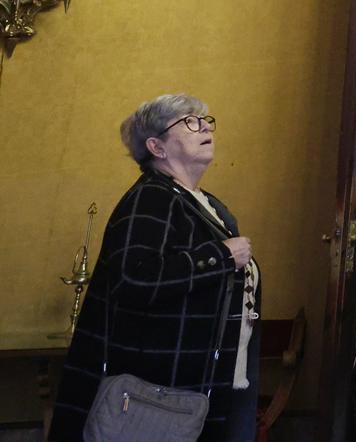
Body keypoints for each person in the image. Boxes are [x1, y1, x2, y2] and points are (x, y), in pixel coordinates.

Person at [51, 94, 261, 442]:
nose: (205, 127)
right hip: (160, 394)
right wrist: (220, 256)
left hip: (199, 382)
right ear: (157, 147)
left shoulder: (205, 204)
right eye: (190, 122)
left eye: (207, 121)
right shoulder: (152, 196)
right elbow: (135, 278)